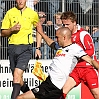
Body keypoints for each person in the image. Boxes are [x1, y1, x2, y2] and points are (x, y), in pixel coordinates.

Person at [16, 26, 99, 99]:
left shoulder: (75, 48)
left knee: (20, 97)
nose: (56, 39)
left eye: (57, 37)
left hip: (53, 86)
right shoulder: (60, 46)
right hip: (49, 83)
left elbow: (91, 60)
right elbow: (51, 43)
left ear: (64, 37)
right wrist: (41, 33)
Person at [1, 0, 41, 99]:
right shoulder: (10, 12)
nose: (20, 1)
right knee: (18, 79)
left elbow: (39, 30)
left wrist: (38, 48)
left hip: (25, 48)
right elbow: (3, 33)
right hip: (12, 48)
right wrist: (11, 29)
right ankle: (31, 95)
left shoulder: (32, 14)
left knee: (16, 76)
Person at [59, 11, 99, 99]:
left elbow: (91, 51)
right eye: (63, 25)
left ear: (74, 23)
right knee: (63, 91)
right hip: (75, 70)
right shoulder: (66, 36)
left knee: (96, 94)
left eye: (67, 24)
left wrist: (76, 55)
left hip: (88, 69)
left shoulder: (83, 34)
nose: (65, 27)